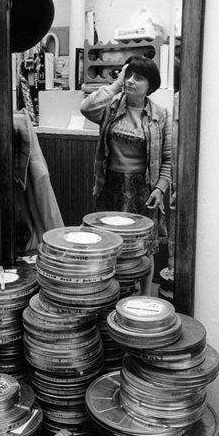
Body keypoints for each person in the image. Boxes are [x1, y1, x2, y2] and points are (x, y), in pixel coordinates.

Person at [80, 55, 172, 295]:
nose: (131, 81)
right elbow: (86, 108)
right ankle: (112, 293)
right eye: (128, 75)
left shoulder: (160, 115)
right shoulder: (111, 107)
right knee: (109, 243)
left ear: (150, 86)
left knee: (144, 248)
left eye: (138, 78)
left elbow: (168, 159)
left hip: (144, 188)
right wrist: (116, 84)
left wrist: (159, 189)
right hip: (110, 185)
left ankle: (144, 296)